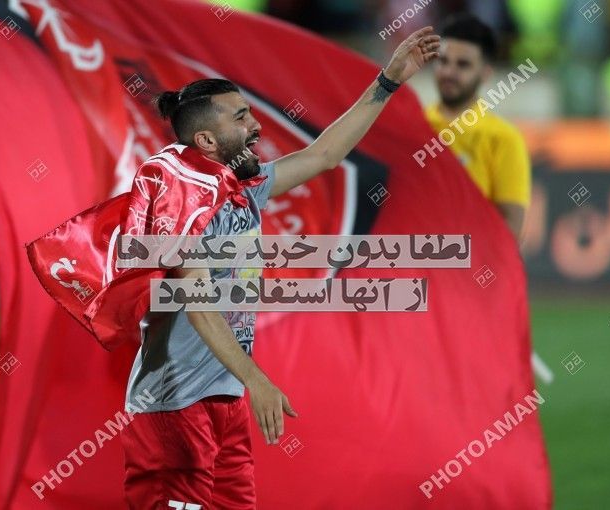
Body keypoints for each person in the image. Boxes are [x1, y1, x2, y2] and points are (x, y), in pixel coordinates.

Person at [119, 27, 441, 509]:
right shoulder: (182, 203)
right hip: (174, 407)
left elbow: (325, 155)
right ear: (207, 139)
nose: (256, 126)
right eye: (241, 117)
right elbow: (200, 305)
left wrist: (388, 82)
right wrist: (258, 380)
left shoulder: (245, 189)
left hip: (224, 397)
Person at [425, 13, 531, 241]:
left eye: (462, 65)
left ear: (485, 73)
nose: (449, 73)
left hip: (473, 261)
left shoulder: (502, 137)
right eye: (443, 61)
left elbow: (512, 227)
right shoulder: (415, 126)